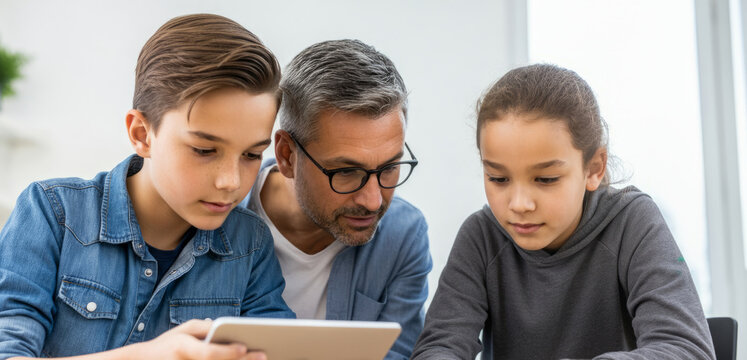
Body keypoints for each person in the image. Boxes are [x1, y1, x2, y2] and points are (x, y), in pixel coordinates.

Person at [0, 14, 294, 360]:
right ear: (141, 134)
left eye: (251, 154)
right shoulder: (52, 214)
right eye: (204, 150)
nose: (230, 181)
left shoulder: (250, 245)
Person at [411, 64, 716, 359]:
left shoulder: (633, 222)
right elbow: (438, 348)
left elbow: (687, 350)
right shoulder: (481, 236)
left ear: (594, 168)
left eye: (545, 179)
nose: (519, 204)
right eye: (498, 178)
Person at [242, 39, 432, 359]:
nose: (373, 201)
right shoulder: (216, 221)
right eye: (346, 172)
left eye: (389, 167)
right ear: (287, 155)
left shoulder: (403, 235)